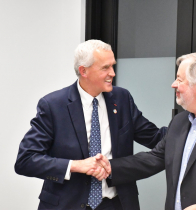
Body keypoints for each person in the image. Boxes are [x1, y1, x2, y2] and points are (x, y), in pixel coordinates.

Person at [94, 52, 196, 210]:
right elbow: (156, 157)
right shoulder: (179, 121)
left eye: (179, 80)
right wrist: (109, 167)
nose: (173, 84)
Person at [14, 39, 167, 210]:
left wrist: (190, 124)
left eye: (112, 66)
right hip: (68, 205)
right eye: (105, 68)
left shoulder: (122, 99)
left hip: (117, 204)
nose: (113, 73)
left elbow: (155, 137)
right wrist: (76, 165)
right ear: (83, 71)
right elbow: (26, 160)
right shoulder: (53, 105)